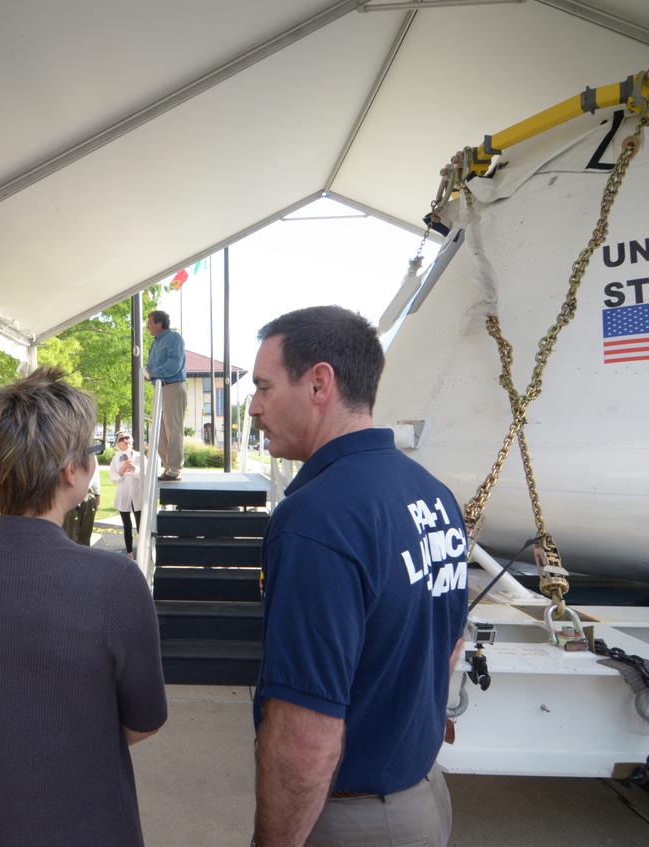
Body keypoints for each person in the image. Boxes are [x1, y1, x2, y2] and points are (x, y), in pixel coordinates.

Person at [0, 368, 166, 846]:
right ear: (71, 470)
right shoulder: (113, 581)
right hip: (82, 824)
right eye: (92, 451)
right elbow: (144, 718)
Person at [248, 306, 468, 847]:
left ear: (319, 383)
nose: (253, 407)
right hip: (421, 796)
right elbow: (449, 646)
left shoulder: (316, 518)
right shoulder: (432, 495)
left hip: (352, 821)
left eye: (264, 387)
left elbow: (307, 735)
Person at [145, 309, 186, 481]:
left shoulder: (174, 338)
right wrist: (148, 373)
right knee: (160, 430)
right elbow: (149, 365)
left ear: (159, 323)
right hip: (160, 388)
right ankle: (167, 467)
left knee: (173, 429)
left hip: (173, 387)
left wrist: (152, 373)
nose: (147, 327)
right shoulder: (154, 343)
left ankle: (175, 469)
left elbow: (174, 364)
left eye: (150, 323)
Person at [109, 433, 144, 558]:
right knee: (127, 526)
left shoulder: (140, 456)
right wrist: (122, 470)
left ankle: (143, 552)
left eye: (127, 437)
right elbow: (113, 478)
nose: (125, 440)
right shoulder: (115, 459)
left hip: (138, 496)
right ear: (117, 444)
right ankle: (130, 554)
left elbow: (146, 476)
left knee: (141, 526)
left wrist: (135, 469)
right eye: (121, 439)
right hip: (123, 496)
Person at [61, 458, 100, 546]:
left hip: (88, 497)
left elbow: (96, 475)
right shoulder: (68, 451)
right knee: (69, 536)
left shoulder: (91, 454)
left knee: (85, 538)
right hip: (71, 497)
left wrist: (98, 495)